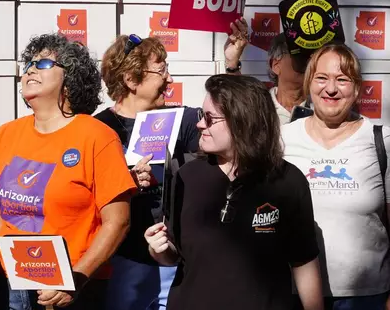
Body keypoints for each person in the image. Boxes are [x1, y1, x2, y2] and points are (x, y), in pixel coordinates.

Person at [96, 19, 248, 310]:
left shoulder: (184, 119)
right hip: (123, 261)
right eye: (161, 69)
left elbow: (235, 122)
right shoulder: (99, 128)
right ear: (131, 79)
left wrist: (231, 65)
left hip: (175, 259)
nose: (169, 78)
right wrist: (124, 180)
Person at [0, 34, 136, 310]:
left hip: (71, 288)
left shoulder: (97, 137)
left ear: (70, 77)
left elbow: (117, 221)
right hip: (11, 286)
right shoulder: (4, 135)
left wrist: (77, 278)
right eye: (29, 64)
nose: (31, 70)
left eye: (44, 63)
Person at [145, 74, 323, 310]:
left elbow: (304, 260)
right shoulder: (186, 176)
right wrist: (158, 249)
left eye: (210, 118)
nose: (199, 125)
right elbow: (174, 255)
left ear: (242, 122)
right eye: (201, 115)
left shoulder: (288, 181)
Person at [282, 44, 390, 309]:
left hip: (368, 297)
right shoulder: (282, 140)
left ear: (357, 89)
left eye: (342, 80)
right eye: (322, 78)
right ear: (309, 83)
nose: (331, 89)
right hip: (292, 294)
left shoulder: (382, 140)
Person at [267, 34, 313, 125]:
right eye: (298, 55)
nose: (307, 62)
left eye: (309, 56)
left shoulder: (321, 107)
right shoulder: (259, 107)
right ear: (276, 65)